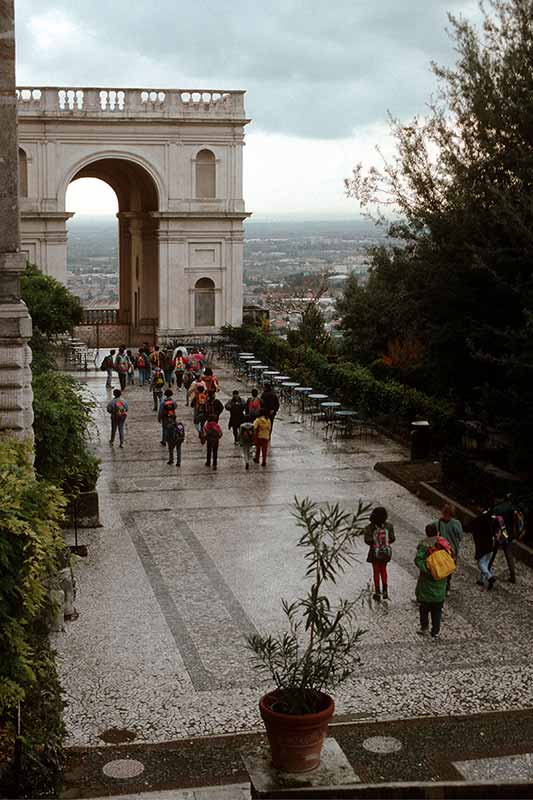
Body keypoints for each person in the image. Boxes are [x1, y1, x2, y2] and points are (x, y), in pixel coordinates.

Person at [415, 523, 453, 639]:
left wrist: (428, 570)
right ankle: (435, 631)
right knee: (437, 609)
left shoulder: (424, 544)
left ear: (427, 533)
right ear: (437, 532)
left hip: (427, 583)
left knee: (424, 608)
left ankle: (424, 628)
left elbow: (418, 560)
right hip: (441, 582)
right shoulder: (444, 543)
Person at [363, 507, 395, 602]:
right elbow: (392, 538)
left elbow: (367, 540)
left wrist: (375, 542)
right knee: (384, 570)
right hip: (385, 552)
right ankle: (385, 591)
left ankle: (377, 592)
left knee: (376, 571)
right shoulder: (389, 526)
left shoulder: (370, 527)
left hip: (374, 552)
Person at [435, 503, 464, 594]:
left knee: (440, 568)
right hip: (452, 551)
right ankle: (446, 586)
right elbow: (460, 536)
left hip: (441, 550)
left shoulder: (439, 523)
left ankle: (440, 586)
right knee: (449, 569)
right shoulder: (456, 523)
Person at [489, 496, 517, 583]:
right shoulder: (511, 508)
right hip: (507, 534)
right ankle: (513, 576)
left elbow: (493, 522)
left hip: (499, 533)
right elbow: (513, 523)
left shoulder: (497, 509)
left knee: (493, 551)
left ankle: (487, 569)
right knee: (508, 554)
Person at [469, 512, 497, 590]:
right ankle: (481, 580)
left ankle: (490, 577)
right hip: (491, 545)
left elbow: (471, 526)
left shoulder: (480, 519)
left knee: (480, 563)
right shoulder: (492, 519)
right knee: (486, 563)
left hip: (483, 545)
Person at [158, 389, 184, 465]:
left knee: (164, 428)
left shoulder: (163, 402)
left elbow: (161, 411)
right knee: (178, 448)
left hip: (165, 418)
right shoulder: (173, 401)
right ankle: (178, 461)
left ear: (165, 394)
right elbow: (175, 407)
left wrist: (159, 418)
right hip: (172, 417)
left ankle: (164, 440)